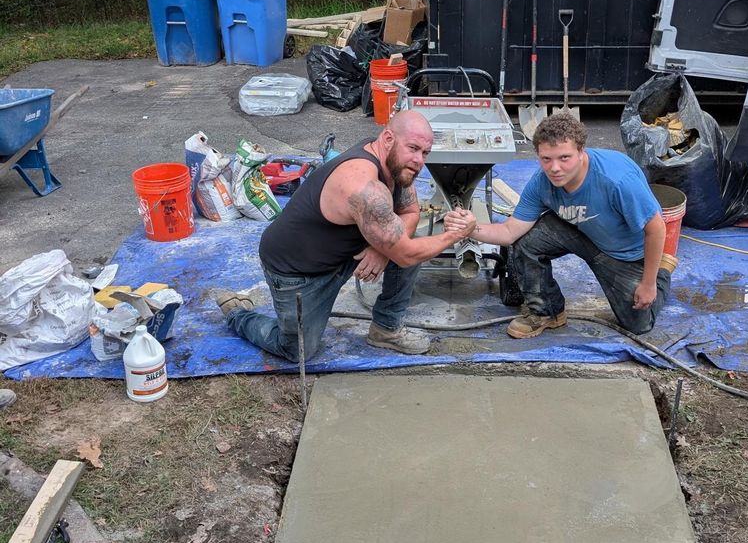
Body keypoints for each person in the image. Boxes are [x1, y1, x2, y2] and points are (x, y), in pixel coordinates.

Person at [214, 111, 477, 361]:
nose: (419, 161)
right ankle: (238, 313)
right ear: (387, 138)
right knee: (297, 351)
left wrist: (382, 249)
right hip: (297, 272)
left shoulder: (394, 165)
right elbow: (406, 254)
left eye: (425, 153)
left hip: (343, 253)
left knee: (409, 244)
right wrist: (456, 234)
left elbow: (409, 211)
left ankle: (386, 329)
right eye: (413, 149)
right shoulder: (363, 186)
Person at [445, 111, 671, 338]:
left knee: (638, 324)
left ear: (581, 151)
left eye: (564, 158)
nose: (554, 168)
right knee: (525, 243)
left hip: (624, 254)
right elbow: (509, 232)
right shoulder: (541, 183)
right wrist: (471, 229)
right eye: (546, 159)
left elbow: (656, 228)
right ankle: (548, 312)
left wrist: (649, 283)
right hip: (582, 231)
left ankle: (661, 271)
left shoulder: (616, 179)